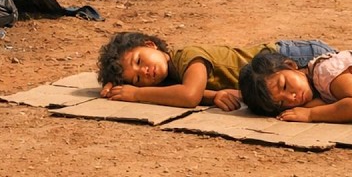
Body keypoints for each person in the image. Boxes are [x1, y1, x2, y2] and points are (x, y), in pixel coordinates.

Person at [96, 31, 335, 110]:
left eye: (139, 60)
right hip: (271, 83)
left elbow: (189, 96)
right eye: (137, 79)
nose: (145, 71)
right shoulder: (170, 80)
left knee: (345, 92)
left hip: (290, 61)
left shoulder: (187, 57)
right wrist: (115, 87)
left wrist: (136, 94)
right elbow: (188, 93)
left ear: (151, 44)